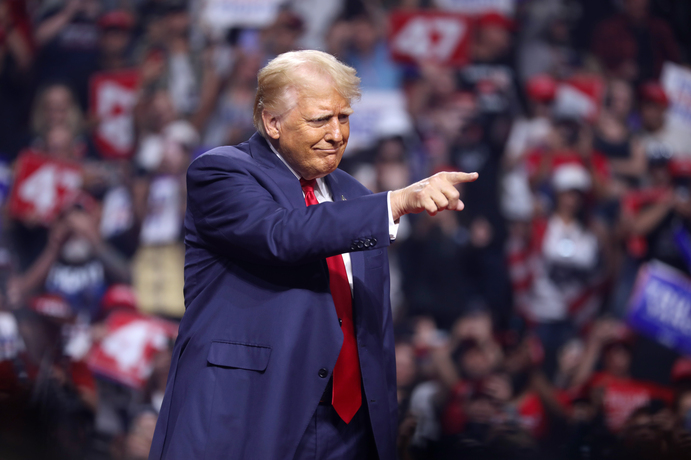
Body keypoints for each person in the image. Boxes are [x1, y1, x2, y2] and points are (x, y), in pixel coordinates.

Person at [148, 49, 478, 460]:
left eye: (344, 118)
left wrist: (384, 426)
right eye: (320, 119)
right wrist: (392, 203)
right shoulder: (222, 172)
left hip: (352, 429)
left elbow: (374, 325)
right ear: (272, 121)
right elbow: (280, 235)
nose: (337, 133)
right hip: (253, 414)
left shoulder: (356, 196)